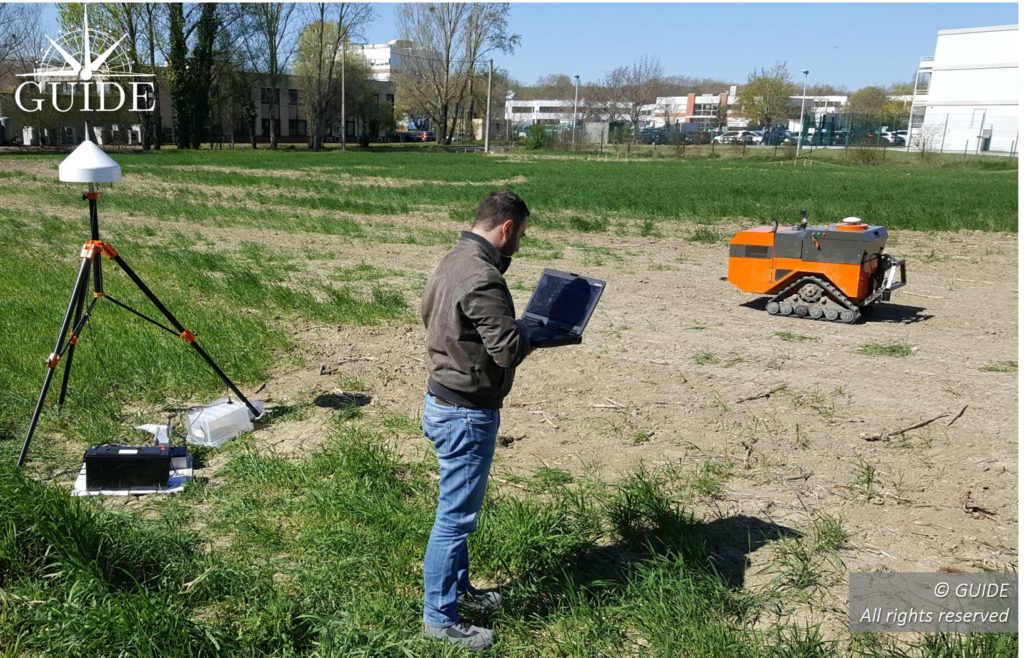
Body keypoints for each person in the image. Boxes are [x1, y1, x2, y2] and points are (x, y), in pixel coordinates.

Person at [419, 190, 533, 651]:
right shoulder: (483, 276)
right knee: (455, 519)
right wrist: (534, 333)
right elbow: (506, 349)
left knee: (458, 512)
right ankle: (439, 618)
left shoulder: (453, 258)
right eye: (522, 235)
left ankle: (460, 590)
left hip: (442, 399)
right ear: (506, 228)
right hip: (466, 413)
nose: (521, 245)